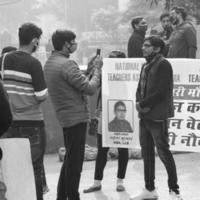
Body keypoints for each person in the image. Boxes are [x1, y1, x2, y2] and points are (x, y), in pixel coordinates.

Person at [44, 29, 102, 200]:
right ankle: (72, 196)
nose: (75, 44)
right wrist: (97, 70)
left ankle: (62, 196)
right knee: (75, 163)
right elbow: (90, 88)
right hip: (76, 117)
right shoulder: (67, 64)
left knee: (69, 159)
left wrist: (90, 71)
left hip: (65, 116)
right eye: (73, 42)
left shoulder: (50, 63)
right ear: (65, 44)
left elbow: (77, 83)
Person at [131, 36, 183, 200]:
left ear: (157, 49)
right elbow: (140, 87)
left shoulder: (163, 64)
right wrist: (139, 102)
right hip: (145, 116)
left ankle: (174, 191)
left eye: (147, 46)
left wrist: (144, 104)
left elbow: (162, 91)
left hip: (158, 116)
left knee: (164, 153)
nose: (143, 48)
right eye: (143, 45)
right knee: (146, 154)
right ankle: (149, 189)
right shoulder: (145, 65)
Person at [0, 23, 48, 200]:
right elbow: (42, 95)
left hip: (9, 123)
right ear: (34, 41)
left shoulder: (3, 59)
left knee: (12, 168)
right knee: (34, 169)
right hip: (32, 124)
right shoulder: (33, 63)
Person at [83, 51, 129, 194]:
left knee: (123, 148)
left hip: (122, 114)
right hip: (104, 113)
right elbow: (89, 84)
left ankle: (120, 181)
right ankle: (97, 182)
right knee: (102, 149)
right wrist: (93, 66)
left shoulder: (129, 76)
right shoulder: (103, 74)